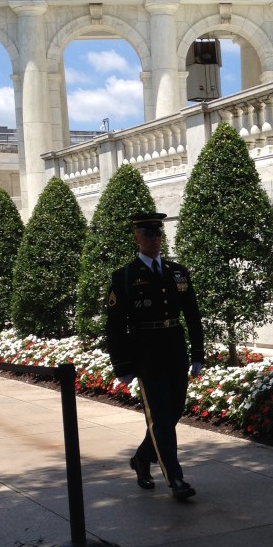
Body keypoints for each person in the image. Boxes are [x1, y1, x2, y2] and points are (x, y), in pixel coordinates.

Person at [106, 212, 204, 502]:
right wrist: (121, 364)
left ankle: (141, 458)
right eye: (148, 234)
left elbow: (193, 315)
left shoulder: (177, 272)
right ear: (136, 238)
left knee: (172, 413)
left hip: (175, 350)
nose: (155, 239)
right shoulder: (124, 277)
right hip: (146, 355)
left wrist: (198, 352)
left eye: (158, 234)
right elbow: (115, 325)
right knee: (160, 418)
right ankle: (176, 479)